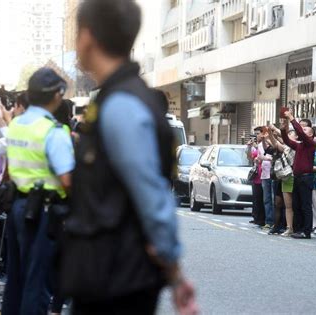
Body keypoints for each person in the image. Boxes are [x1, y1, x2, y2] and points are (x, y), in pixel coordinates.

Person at [60, 1, 198, 314]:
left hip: (116, 279)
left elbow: (151, 196)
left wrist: (176, 275)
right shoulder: (116, 97)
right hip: (109, 272)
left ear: (87, 37)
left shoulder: (122, 105)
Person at [2, 68, 75, 315]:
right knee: (38, 279)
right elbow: (67, 180)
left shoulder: (16, 125)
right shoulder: (51, 130)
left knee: (16, 278)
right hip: (43, 211)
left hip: (18, 207)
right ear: (57, 95)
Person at [280, 111, 316, 239]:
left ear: (310, 134)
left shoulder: (310, 144)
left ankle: (306, 231)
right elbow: (287, 142)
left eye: (305, 129)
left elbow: (300, 133)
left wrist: (291, 118)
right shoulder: (300, 145)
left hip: (306, 177)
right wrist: (283, 130)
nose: (302, 130)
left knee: (306, 205)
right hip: (298, 177)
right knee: (297, 204)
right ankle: (299, 228)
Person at [268, 124, 296, 236]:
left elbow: (281, 140)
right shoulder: (286, 147)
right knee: (285, 205)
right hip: (285, 177)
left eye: (291, 134)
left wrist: (274, 129)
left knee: (295, 205)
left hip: (295, 178)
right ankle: (288, 227)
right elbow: (275, 143)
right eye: (288, 134)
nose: (288, 135)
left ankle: (296, 227)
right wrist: (270, 133)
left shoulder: (298, 146)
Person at [257, 128, 275, 229]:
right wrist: (263, 158)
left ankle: (276, 221)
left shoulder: (274, 143)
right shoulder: (260, 145)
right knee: (266, 199)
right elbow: (260, 157)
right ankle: (269, 221)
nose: (265, 135)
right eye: (264, 133)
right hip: (264, 174)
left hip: (274, 174)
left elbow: (273, 154)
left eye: (268, 133)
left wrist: (267, 158)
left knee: (274, 199)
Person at [246, 131, 265, 226]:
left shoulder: (264, 145)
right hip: (256, 176)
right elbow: (250, 157)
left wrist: (257, 147)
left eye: (258, 134)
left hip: (264, 175)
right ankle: (256, 217)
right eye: (256, 134)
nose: (257, 136)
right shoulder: (255, 147)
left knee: (263, 199)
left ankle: (263, 219)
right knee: (256, 198)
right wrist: (249, 147)